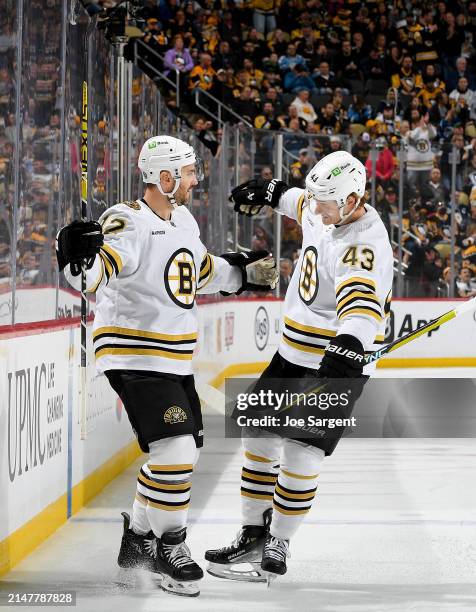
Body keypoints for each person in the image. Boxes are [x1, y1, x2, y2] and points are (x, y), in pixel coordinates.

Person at [56, 136, 278, 597]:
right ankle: (169, 545)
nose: (196, 180)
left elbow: (196, 271)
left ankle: (136, 541)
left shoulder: (183, 219)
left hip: (173, 359)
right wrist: (74, 255)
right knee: (176, 452)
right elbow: (94, 276)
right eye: (189, 172)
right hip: (135, 356)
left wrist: (239, 275)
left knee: (180, 455)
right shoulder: (126, 221)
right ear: (164, 177)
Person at [205, 151, 393, 582]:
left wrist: (344, 355)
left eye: (324, 200)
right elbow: (300, 203)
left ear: (351, 199)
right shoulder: (326, 206)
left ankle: (279, 542)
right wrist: (272, 192)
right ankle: (253, 532)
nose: (316, 206)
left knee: (301, 453)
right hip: (292, 353)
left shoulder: (362, 245)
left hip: (335, 360)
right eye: (316, 198)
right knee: (258, 435)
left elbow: (361, 312)